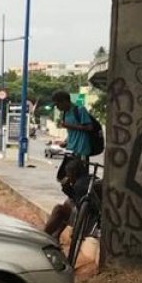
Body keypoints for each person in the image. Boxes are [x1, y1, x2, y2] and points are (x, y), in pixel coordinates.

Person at [43, 91, 95, 238]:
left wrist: (70, 126)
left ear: (65, 101)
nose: (58, 107)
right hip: (71, 149)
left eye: (58, 104)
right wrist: (66, 140)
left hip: (81, 151)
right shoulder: (65, 114)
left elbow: (89, 128)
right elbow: (72, 132)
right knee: (63, 177)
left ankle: (77, 203)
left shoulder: (79, 110)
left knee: (78, 182)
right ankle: (70, 202)